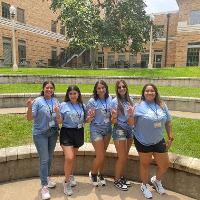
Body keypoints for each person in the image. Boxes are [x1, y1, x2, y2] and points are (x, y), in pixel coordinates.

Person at [134, 83, 174, 199]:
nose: (149, 93)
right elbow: (132, 124)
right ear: (143, 93)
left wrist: (170, 135)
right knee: (145, 164)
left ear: (155, 92)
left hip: (158, 140)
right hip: (143, 140)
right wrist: (131, 116)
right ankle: (144, 186)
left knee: (165, 164)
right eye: (147, 91)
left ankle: (156, 181)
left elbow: (168, 121)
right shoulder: (139, 106)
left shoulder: (162, 105)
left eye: (152, 91)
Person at [26, 81, 59, 200]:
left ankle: (47, 178)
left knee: (49, 157)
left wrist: (58, 112)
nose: (49, 90)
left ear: (53, 90)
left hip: (53, 133)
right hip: (40, 134)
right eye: (47, 88)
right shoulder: (38, 101)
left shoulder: (55, 101)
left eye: (51, 88)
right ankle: (44, 186)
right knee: (44, 159)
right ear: (43, 89)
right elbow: (29, 118)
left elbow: (58, 118)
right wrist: (29, 107)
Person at [54, 85, 86, 196]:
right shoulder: (63, 105)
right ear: (68, 95)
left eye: (75, 93)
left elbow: (85, 120)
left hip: (78, 132)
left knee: (73, 158)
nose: (73, 95)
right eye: (71, 93)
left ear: (78, 94)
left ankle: (71, 175)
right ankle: (66, 182)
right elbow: (59, 121)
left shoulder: (82, 105)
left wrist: (90, 117)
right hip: (67, 132)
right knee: (69, 157)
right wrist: (57, 113)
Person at [86, 80, 113, 187]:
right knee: (100, 154)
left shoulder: (110, 99)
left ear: (106, 88)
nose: (101, 90)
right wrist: (91, 116)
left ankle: (100, 174)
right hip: (96, 129)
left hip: (108, 129)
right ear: (96, 90)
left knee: (103, 153)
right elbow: (87, 119)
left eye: (103, 88)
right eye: (99, 88)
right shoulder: (92, 101)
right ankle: (93, 173)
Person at [111, 80, 135, 191]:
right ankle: (116, 180)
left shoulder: (130, 100)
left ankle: (120, 176)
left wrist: (131, 115)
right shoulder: (114, 101)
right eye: (119, 87)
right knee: (121, 157)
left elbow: (132, 120)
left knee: (125, 156)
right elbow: (113, 121)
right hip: (119, 129)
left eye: (123, 86)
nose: (121, 88)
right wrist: (115, 116)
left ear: (126, 88)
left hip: (129, 129)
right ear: (117, 89)